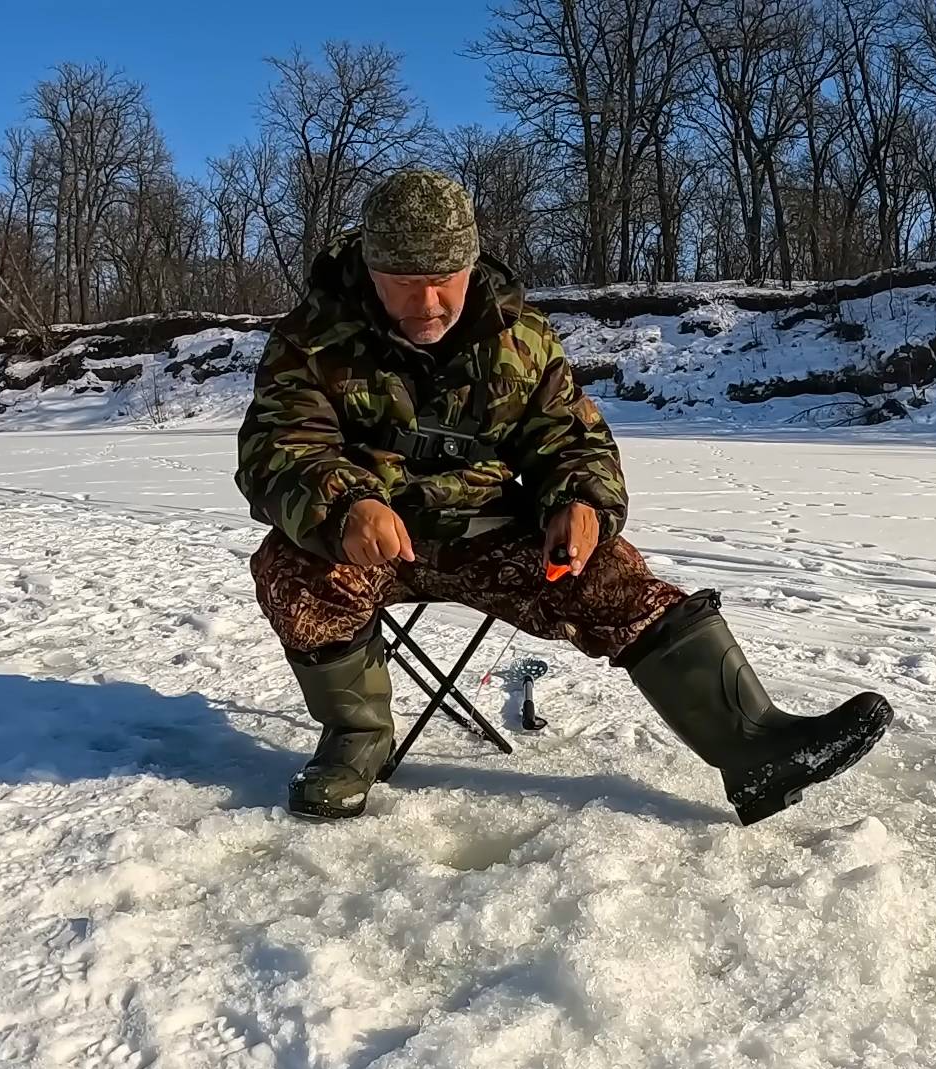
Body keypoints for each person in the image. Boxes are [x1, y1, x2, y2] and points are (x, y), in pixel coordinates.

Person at [235, 168, 891, 825]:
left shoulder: (520, 337)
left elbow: (572, 442)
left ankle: (754, 747)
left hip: (488, 532)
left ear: (470, 262)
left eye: (445, 279)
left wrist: (580, 501)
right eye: (406, 284)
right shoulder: (311, 340)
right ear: (371, 270)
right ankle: (356, 740)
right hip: (367, 541)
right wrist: (346, 504)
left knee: (613, 573)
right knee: (289, 567)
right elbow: (278, 451)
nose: (428, 302)